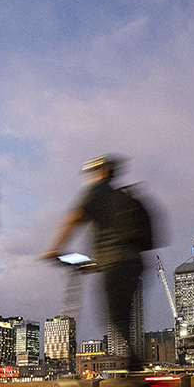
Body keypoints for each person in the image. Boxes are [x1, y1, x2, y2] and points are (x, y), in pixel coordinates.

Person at [43, 155, 146, 372]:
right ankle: (136, 368)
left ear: (99, 172)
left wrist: (55, 249)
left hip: (116, 263)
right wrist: (91, 265)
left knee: (114, 318)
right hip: (135, 262)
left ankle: (136, 365)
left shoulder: (98, 191)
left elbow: (74, 219)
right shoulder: (120, 197)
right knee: (123, 317)